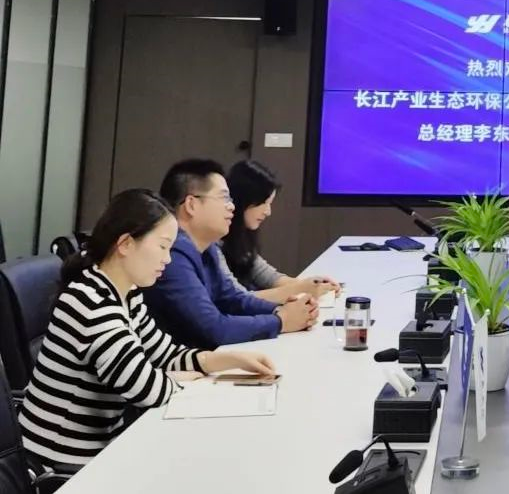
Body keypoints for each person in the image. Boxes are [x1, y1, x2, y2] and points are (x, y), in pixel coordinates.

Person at [18, 189, 276, 468]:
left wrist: (228, 360)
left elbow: (165, 355)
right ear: (126, 244)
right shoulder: (90, 302)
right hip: (59, 463)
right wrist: (186, 379)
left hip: (99, 452)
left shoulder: (127, 294)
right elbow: (146, 389)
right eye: (163, 247)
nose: (167, 259)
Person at [144, 159, 316, 349]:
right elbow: (215, 329)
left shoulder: (206, 247)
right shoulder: (172, 254)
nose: (232, 206)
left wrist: (283, 309)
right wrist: (282, 321)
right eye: (224, 198)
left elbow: (234, 300)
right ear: (191, 204)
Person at [220, 160, 339, 303]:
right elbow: (236, 300)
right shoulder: (214, 240)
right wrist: (300, 288)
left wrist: (313, 284)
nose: (268, 212)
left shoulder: (241, 236)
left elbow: (267, 276)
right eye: (264, 203)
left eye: (270, 204)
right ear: (243, 199)